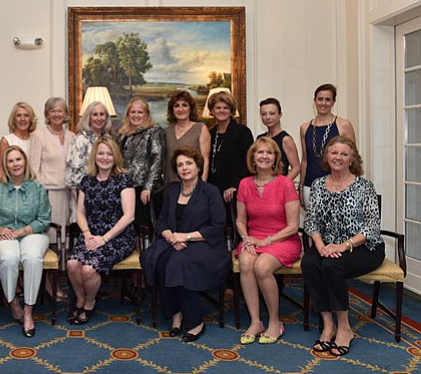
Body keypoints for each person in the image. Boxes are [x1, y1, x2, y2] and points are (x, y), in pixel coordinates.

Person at [301, 136, 383, 357]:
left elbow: (371, 227)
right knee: (309, 262)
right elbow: (312, 221)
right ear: (328, 156)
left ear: (352, 159)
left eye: (344, 154)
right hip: (328, 244)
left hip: (364, 246)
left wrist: (343, 246)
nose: (338, 157)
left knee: (331, 267)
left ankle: (345, 328)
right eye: (334, 152)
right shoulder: (318, 184)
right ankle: (328, 325)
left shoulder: (364, 186)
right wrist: (319, 245)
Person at [142, 147, 230, 342]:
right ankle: (176, 313)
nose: (184, 168)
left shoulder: (210, 191)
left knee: (181, 263)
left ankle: (195, 321)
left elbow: (217, 226)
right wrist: (171, 237)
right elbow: (162, 220)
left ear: (198, 166)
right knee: (155, 259)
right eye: (180, 165)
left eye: (189, 163)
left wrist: (186, 237)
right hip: (172, 241)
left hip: (205, 244)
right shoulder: (171, 191)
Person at [235, 137, 301, 345]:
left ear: (275, 159)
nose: (264, 156)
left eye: (269, 153)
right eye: (260, 152)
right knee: (246, 262)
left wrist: (266, 241)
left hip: (284, 239)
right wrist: (247, 238)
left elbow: (292, 226)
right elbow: (240, 220)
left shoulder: (285, 183)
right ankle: (256, 322)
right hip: (253, 238)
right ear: (253, 158)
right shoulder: (245, 184)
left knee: (262, 266)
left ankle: (274, 321)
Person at [0, 146, 52, 338]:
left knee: (32, 258)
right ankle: (12, 302)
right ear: (6, 165)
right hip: (4, 234)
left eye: (18, 159)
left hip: (33, 233)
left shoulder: (37, 187)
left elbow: (44, 218)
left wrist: (22, 230)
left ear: (25, 162)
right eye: (11, 161)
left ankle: (28, 310)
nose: (15, 164)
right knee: (10, 259)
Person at [66, 135, 135, 325]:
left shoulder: (124, 180)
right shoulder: (86, 181)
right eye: (101, 153)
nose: (105, 157)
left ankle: (89, 303)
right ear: (94, 156)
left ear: (116, 157)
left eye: (109, 154)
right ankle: (80, 298)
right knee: (72, 265)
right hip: (91, 235)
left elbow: (129, 216)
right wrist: (87, 234)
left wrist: (104, 239)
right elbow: (80, 213)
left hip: (117, 237)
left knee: (88, 269)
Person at [29, 97, 75, 299]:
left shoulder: (73, 136)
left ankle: (60, 281)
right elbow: (33, 168)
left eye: (61, 111)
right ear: (47, 114)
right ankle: (49, 284)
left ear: (66, 115)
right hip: (48, 195)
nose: (57, 114)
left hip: (69, 194)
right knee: (50, 241)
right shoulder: (39, 135)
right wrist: (41, 196)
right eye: (53, 111)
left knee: (66, 241)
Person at [299, 83, 356, 207]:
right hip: (310, 185)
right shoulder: (305, 128)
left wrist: (352, 186)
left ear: (333, 102)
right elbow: (305, 160)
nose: (323, 103)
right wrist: (301, 186)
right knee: (313, 225)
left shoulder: (343, 125)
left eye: (328, 99)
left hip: (338, 185)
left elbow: (353, 158)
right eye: (320, 99)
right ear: (314, 101)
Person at [117, 97, 165, 230]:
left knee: (143, 226)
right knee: (127, 226)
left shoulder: (154, 131)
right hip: (126, 188)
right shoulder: (122, 135)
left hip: (144, 189)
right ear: (128, 115)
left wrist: (148, 187)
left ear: (146, 115)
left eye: (140, 112)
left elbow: (158, 159)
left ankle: (145, 250)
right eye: (133, 112)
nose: (136, 115)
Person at [206, 90, 253, 205]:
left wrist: (235, 186)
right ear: (212, 111)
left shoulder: (242, 132)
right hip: (213, 191)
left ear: (231, 110)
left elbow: (250, 163)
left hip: (235, 192)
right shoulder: (210, 133)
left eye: (225, 108)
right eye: (218, 108)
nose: (222, 111)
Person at [64, 101, 113, 203]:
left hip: (106, 191)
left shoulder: (109, 139)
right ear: (88, 117)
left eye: (102, 114)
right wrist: (76, 192)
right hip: (83, 192)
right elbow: (73, 168)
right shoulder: (80, 139)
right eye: (95, 114)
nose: (99, 118)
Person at [164, 90, 210, 182]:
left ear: (191, 108)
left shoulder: (201, 128)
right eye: (177, 106)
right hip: (169, 185)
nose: (181, 109)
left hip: (193, 186)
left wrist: (202, 187)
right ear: (172, 110)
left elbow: (205, 161)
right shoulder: (166, 131)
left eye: (184, 105)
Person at [257, 98, 300, 180]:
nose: (268, 117)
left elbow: (296, 168)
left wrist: (282, 185)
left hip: (278, 187)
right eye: (263, 114)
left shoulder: (285, 139)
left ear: (280, 115)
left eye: (272, 113)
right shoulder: (260, 138)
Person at [0, 102, 37, 178]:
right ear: (13, 119)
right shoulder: (6, 141)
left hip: (33, 185)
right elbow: (1, 169)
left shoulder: (37, 139)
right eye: (19, 115)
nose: (22, 119)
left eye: (26, 115)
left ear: (31, 119)